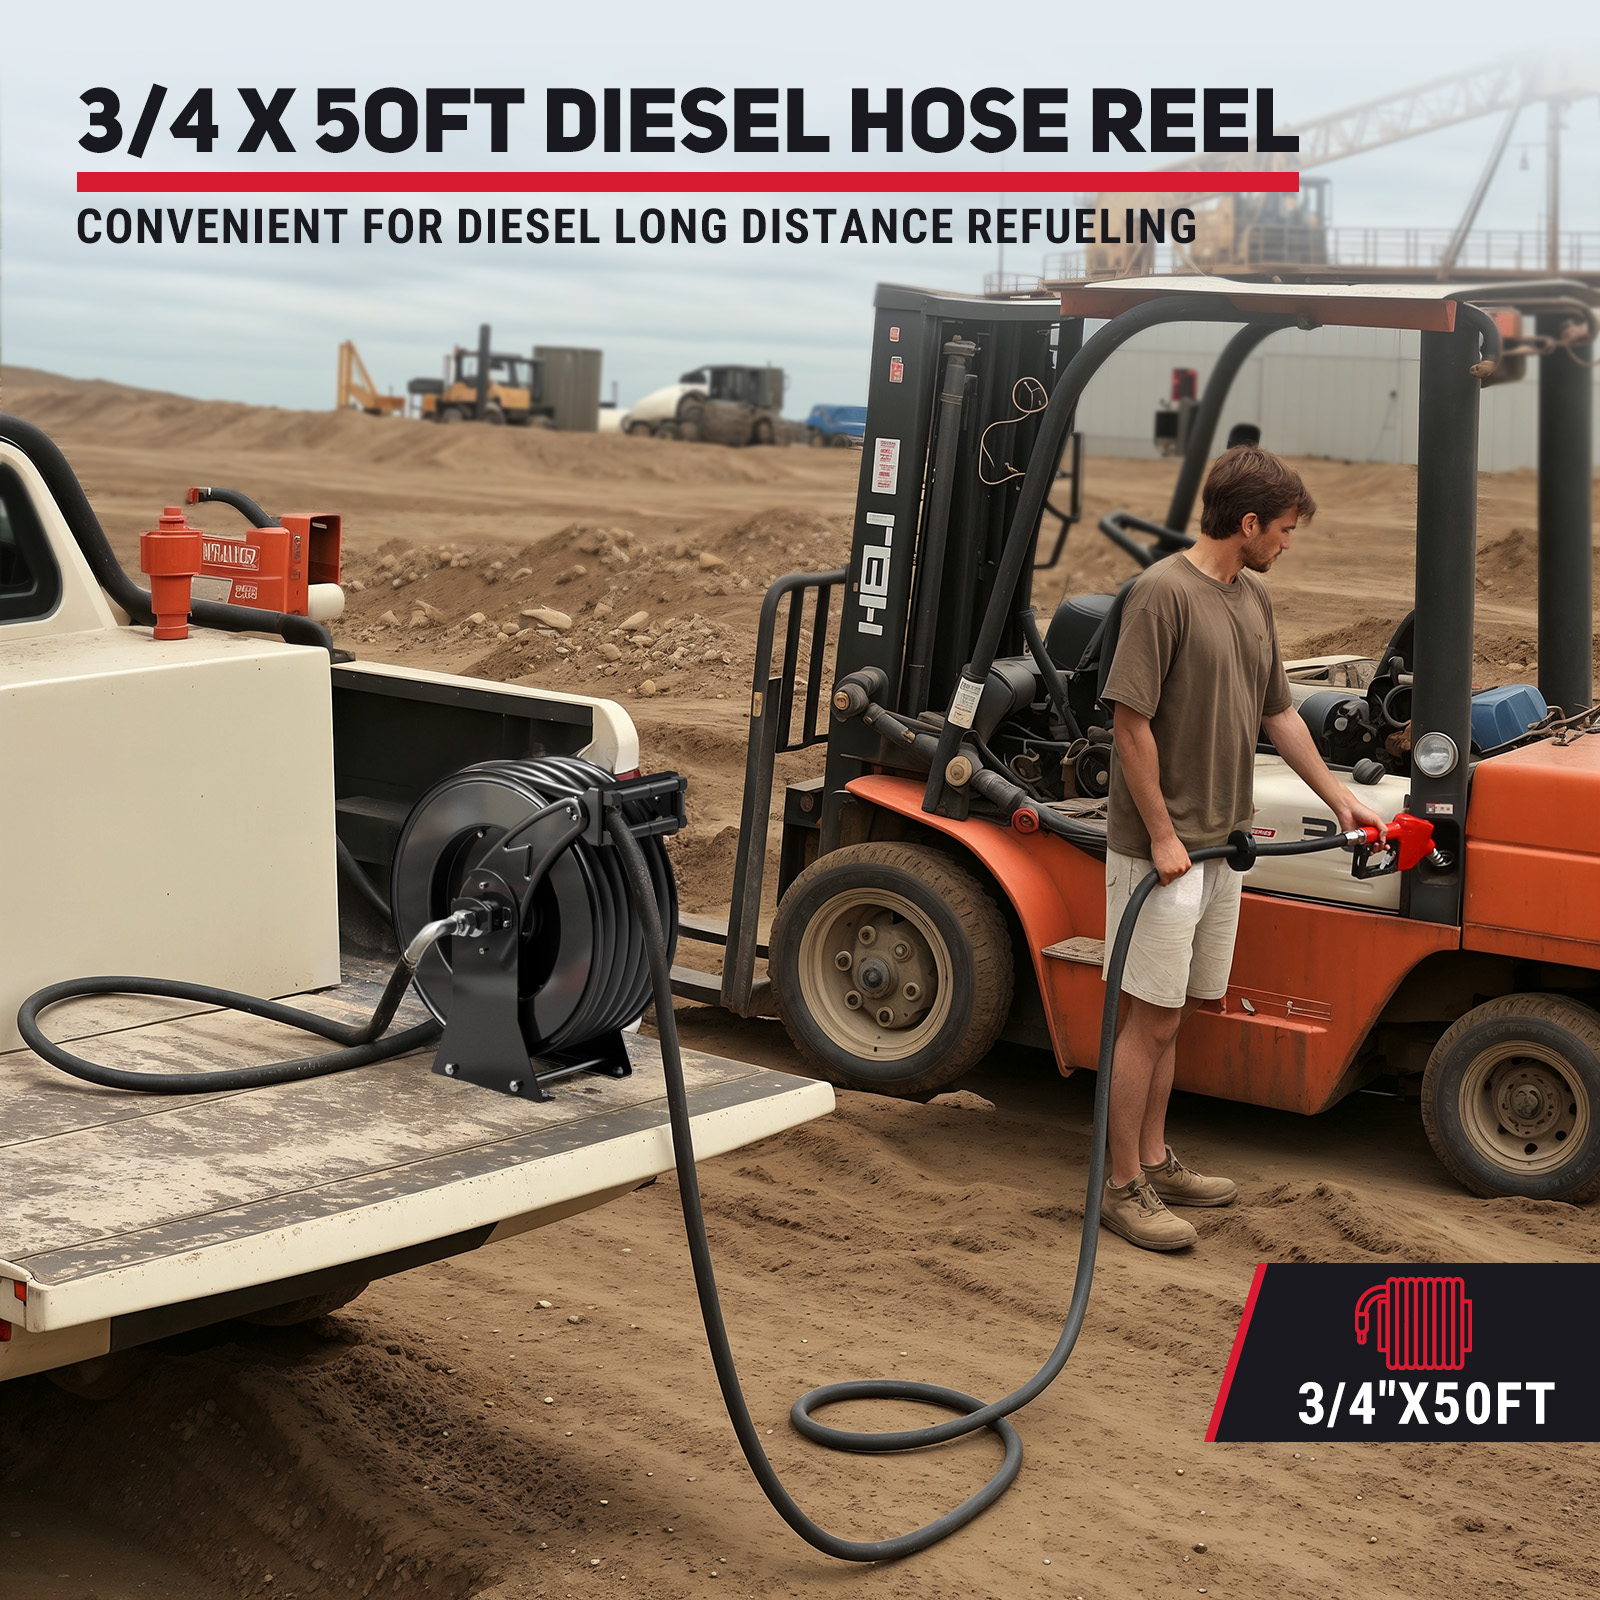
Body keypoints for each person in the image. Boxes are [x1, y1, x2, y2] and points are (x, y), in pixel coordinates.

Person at [1097, 447, 1387, 1251]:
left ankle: (1154, 1158)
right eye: (1285, 530)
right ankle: (1120, 1187)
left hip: (1222, 846)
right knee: (1146, 1020)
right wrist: (1160, 834)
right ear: (1248, 522)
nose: (1289, 545)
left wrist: (1344, 800)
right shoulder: (1161, 595)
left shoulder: (1250, 597)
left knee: (1178, 1015)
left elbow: (1279, 715)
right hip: (1166, 851)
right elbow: (1130, 724)